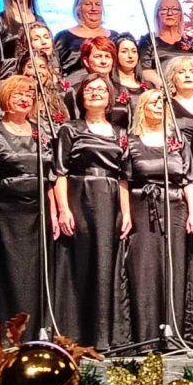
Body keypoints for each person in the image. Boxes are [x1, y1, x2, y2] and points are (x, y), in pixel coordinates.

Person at [0, 74, 58, 332]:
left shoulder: (42, 132)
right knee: (9, 273)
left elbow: (51, 179)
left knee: (35, 274)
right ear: (5, 98)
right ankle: (9, 334)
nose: (24, 99)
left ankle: (36, 331)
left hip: (37, 213)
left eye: (29, 94)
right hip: (4, 214)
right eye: (18, 94)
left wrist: (54, 213)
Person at [54, 74, 131, 348]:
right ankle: (75, 335)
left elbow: (124, 177)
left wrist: (126, 213)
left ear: (110, 98)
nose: (95, 93)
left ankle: (104, 336)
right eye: (89, 89)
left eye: (101, 89)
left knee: (106, 264)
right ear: (81, 97)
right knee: (81, 264)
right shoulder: (70, 129)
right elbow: (59, 172)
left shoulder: (120, 133)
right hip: (80, 196)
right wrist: (63, 209)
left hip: (110, 200)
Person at [123, 89, 193, 347]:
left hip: (175, 206)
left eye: (162, 102)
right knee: (145, 269)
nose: (159, 105)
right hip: (142, 207)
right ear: (142, 107)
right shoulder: (131, 141)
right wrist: (126, 214)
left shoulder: (177, 140)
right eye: (154, 102)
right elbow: (123, 180)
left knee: (175, 266)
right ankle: (146, 338)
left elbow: (189, 178)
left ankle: (174, 335)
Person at [53, 0, 118, 79]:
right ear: (78, 9)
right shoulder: (63, 38)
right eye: (88, 4)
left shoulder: (115, 37)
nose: (94, 8)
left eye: (97, 4)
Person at [137, 0, 193, 81]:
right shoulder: (148, 40)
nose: (170, 13)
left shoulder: (191, 42)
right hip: (159, 86)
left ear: (180, 15)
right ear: (157, 14)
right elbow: (145, 70)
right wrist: (161, 85)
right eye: (164, 9)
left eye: (174, 9)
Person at [166, 54, 193, 149]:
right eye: (181, 72)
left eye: (192, 72)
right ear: (173, 79)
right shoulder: (166, 106)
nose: (187, 75)